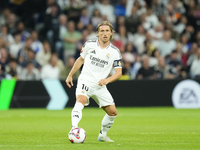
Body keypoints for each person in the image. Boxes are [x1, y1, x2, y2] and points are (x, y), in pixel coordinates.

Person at [65, 21, 122, 142]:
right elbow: (80, 60)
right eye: (102, 31)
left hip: (100, 85)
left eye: (107, 31)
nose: (105, 33)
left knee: (113, 112)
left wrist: (107, 80)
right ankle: (74, 129)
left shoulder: (115, 52)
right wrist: (70, 75)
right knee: (81, 100)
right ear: (97, 33)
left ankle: (103, 135)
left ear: (111, 33)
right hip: (86, 79)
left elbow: (118, 73)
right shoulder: (89, 45)